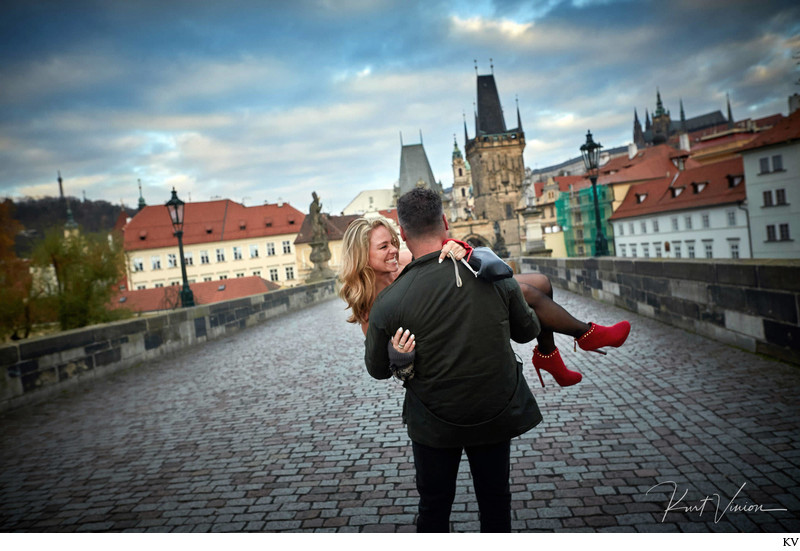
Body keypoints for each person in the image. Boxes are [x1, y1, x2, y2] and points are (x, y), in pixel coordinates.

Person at [363, 188, 542, 532]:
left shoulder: (390, 301)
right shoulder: (492, 273)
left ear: (402, 234)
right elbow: (526, 331)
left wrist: (398, 356)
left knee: (434, 507)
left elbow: (376, 370)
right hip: (494, 412)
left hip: (433, 422)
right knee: (495, 502)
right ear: (445, 222)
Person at [338, 218, 630, 387]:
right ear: (362, 255)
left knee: (540, 282)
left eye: (393, 242)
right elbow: (384, 361)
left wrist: (456, 246)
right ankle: (581, 336)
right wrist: (399, 354)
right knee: (524, 289)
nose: (394, 251)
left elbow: (434, 257)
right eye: (384, 246)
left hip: (450, 297)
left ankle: (549, 352)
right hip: (443, 334)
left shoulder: (402, 259)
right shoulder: (367, 306)